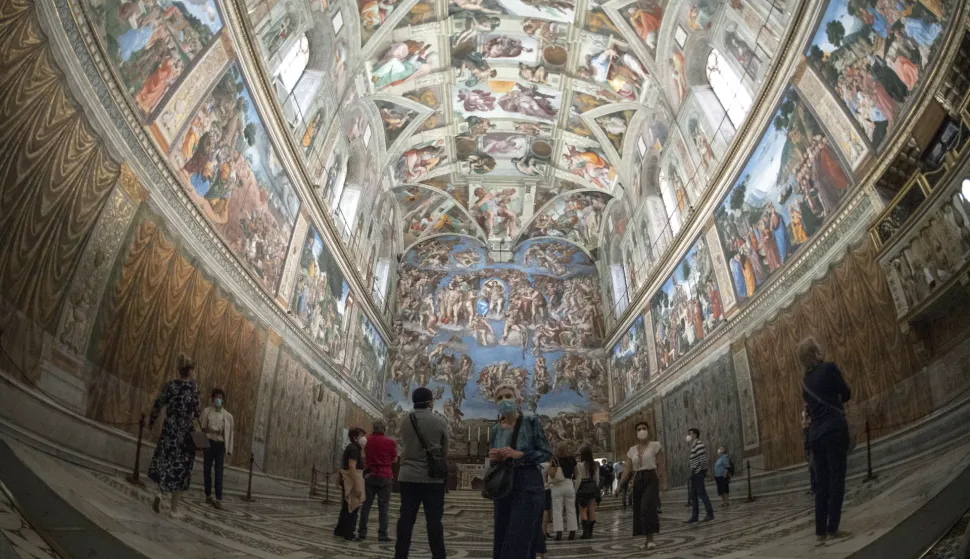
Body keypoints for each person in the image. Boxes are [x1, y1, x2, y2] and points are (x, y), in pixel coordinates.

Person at [490, 384, 552, 559]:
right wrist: (495, 457)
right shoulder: (496, 429)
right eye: (500, 398)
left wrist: (521, 455)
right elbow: (495, 456)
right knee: (501, 535)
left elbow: (546, 452)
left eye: (508, 396)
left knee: (520, 538)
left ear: (518, 400)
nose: (504, 400)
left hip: (528, 483)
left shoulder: (531, 422)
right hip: (503, 485)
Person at [800, 337, 852, 545]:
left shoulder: (804, 382)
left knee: (821, 483)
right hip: (833, 429)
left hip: (816, 435)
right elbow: (847, 393)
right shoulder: (829, 368)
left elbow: (811, 409)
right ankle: (833, 528)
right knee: (837, 478)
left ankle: (820, 530)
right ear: (816, 351)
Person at [396, 387, 449, 559]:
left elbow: (403, 443)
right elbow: (444, 450)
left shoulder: (404, 421)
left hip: (408, 476)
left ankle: (400, 555)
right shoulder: (439, 421)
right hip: (433, 479)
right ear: (430, 402)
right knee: (434, 522)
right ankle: (438, 556)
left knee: (406, 519)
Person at [148, 355, 201, 519]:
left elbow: (158, 403)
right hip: (185, 434)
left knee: (166, 461)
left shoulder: (171, 385)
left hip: (169, 430)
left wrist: (151, 420)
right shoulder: (193, 389)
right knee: (182, 468)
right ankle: (173, 510)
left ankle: (160, 494)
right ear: (191, 371)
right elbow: (197, 411)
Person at [621, 421, 665, 551]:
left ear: (648, 430)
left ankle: (651, 539)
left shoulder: (655, 446)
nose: (642, 430)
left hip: (651, 477)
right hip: (638, 479)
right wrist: (619, 485)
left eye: (644, 428)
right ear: (636, 433)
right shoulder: (632, 450)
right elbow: (627, 469)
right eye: (639, 429)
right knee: (640, 510)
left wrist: (664, 482)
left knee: (647, 507)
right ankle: (646, 539)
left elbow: (661, 464)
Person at [358, 419, 397, 542]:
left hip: (370, 475)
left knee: (366, 505)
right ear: (384, 428)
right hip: (385, 475)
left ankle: (362, 532)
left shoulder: (366, 440)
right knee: (383, 507)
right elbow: (395, 459)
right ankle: (382, 534)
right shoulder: (390, 442)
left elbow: (364, 456)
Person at [200, 388, 234, 510]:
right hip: (208, 443)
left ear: (223, 400)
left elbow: (230, 435)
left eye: (220, 397)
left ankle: (218, 498)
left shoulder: (228, 416)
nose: (217, 399)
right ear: (212, 399)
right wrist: (209, 430)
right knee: (207, 469)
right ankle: (208, 495)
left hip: (220, 445)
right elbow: (201, 427)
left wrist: (229, 450)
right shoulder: (207, 411)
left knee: (219, 472)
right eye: (216, 397)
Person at [334, 427, 366, 540]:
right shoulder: (353, 449)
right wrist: (358, 485)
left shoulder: (354, 447)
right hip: (351, 479)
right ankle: (349, 533)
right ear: (355, 437)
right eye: (361, 435)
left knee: (346, 505)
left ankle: (340, 530)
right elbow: (352, 466)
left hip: (349, 478)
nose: (364, 438)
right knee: (353, 506)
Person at [548, 443, 578, 540]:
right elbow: (576, 473)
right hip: (569, 484)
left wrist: (551, 465)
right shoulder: (572, 459)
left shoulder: (555, 460)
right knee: (571, 509)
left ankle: (559, 533)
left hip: (557, 486)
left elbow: (551, 475)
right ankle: (572, 532)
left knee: (557, 511)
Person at [685, 428, 715, 523]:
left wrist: (703, 471)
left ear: (695, 434)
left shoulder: (698, 444)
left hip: (698, 473)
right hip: (695, 473)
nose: (688, 435)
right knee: (693, 495)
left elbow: (702, 459)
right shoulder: (694, 445)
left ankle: (710, 514)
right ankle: (695, 516)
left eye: (690, 433)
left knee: (702, 494)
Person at [574, 447, 600, 540]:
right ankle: (591, 532)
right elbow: (597, 479)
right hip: (592, 487)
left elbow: (578, 479)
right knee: (592, 510)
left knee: (583, 510)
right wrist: (596, 488)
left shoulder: (580, 465)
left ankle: (586, 533)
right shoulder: (595, 465)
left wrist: (576, 490)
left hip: (583, 487)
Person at [803, 409, 817, 495]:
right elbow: (806, 440)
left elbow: (809, 439)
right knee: (812, 470)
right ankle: (813, 487)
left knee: (813, 468)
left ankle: (816, 487)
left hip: (814, 448)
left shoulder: (812, 425)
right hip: (810, 449)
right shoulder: (807, 428)